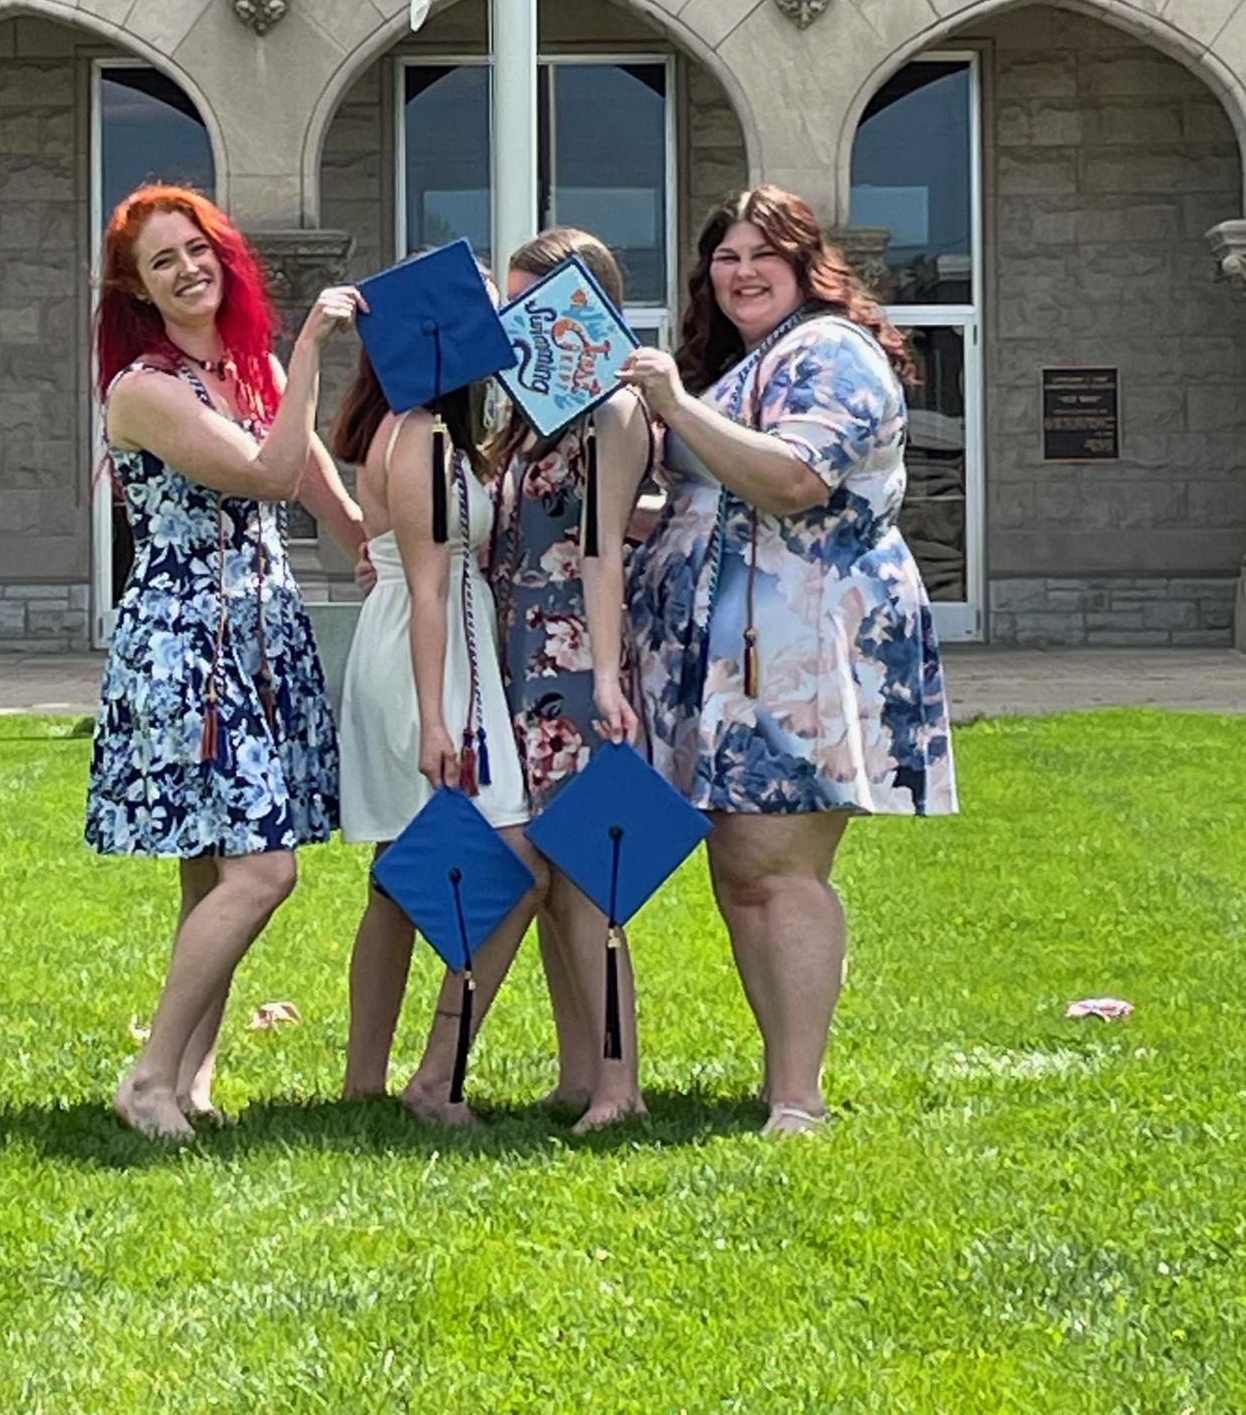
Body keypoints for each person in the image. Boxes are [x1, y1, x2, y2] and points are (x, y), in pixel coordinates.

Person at [622, 185, 956, 1137]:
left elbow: (794, 478)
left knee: (777, 863)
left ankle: (800, 1098)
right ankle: (782, 1078)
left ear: (808, 265)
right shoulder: (747, 363)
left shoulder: (830, 351)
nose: (741, 273)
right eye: (725, 257)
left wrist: (673, 406)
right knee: (742, 868)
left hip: (802, 649)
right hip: (734, 660)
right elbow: (714, 495)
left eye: (763, 254)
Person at [85, 183, 365, 1140]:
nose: (186, 269)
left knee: (214, 874)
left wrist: (363, 542)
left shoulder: (247, 370)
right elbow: (267, 474)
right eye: (162, 262)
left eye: (196, 249)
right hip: (186, 644)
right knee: (262, 869)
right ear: (139, 289)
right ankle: (148, 1080)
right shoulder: (145, 390)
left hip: (259, 632)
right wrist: (313, 348)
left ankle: (189, 1079)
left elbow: (310, 467)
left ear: (223, 254)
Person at [334, 343, 547, 1125]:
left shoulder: (410, 430)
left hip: (417, 643)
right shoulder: (422, 436)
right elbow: (429, 587)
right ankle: (435, 1076)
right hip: (432, 660)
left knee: (395, 878)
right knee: (520, 867)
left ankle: (363, 1082)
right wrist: (436, 719)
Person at [489, 227, 653, 1131]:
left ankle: (621, 1086)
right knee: (550, 876)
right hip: (521, 661)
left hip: (579, 663)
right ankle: (577, 1070)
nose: (519, 323)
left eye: (535, 304)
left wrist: (607, 678)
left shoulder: (613, 411)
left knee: (593, 880)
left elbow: (601, 550)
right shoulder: (530, 411)